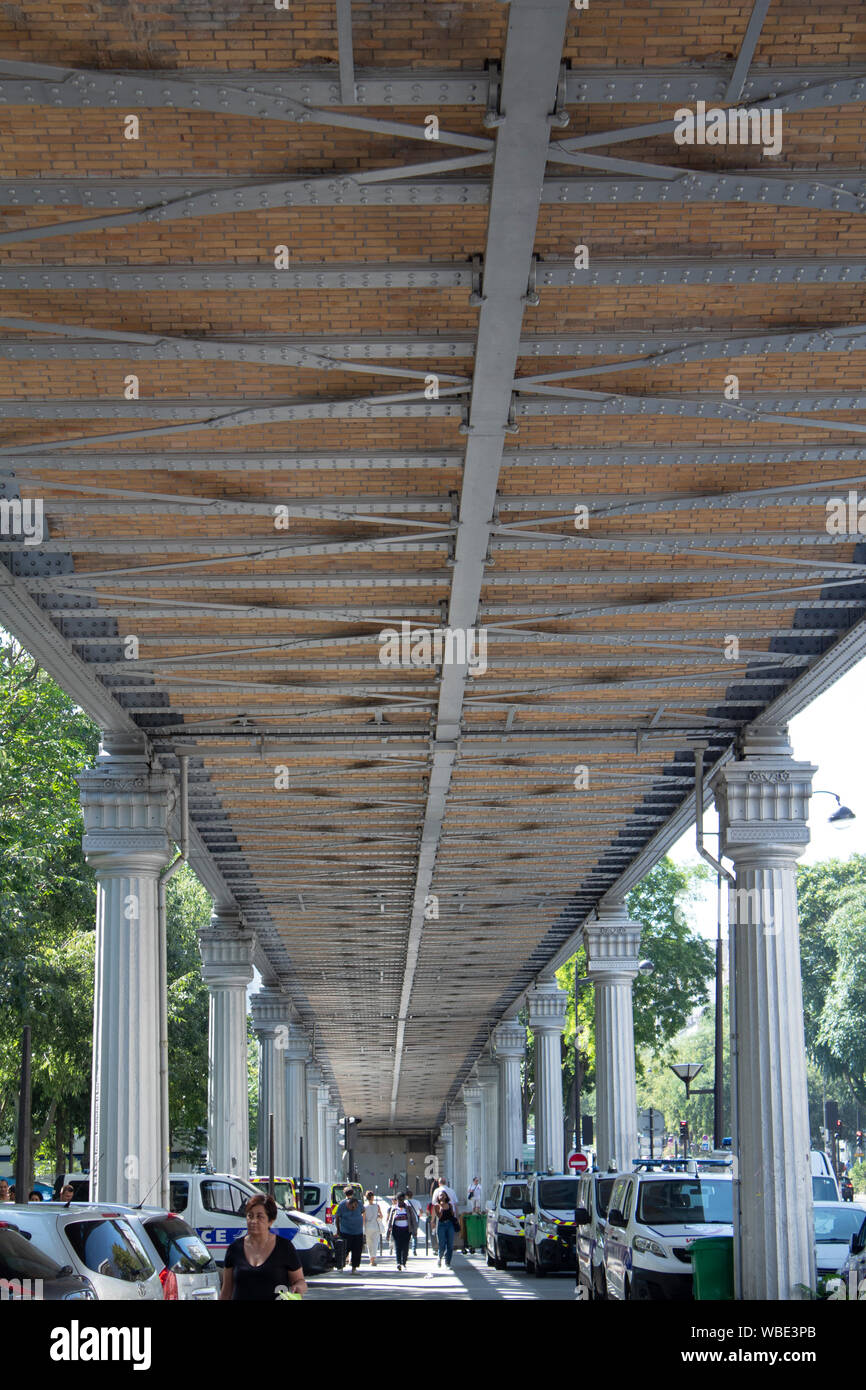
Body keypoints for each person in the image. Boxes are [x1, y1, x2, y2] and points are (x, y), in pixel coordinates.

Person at [220, 1193, 306, 1301]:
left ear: (271, 1221)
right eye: (250, 1216)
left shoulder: (285, 1247)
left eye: (259, 1217)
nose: (253, 1221)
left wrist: (298, 1287)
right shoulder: (234, 1248)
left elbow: (300, 1281)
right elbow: (226, 1292)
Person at [386, 1191, 418, 1271]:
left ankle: (404, 1263)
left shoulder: (408, 1208)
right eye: (399, 1200)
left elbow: (413, 1219)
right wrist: (388, 1232)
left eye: (402, 1200)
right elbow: (390, 1220)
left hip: (406, 1230)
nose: (400, 1201)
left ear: (404, 1199)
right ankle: (398, 1263)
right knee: (398, 1247)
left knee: (405, 1247)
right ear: (397, 1200)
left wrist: (414, 1230)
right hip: (396, 1230)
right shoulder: (394, 1208)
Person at [335, 1188, 365, 1274]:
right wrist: (338, 1230)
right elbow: (337, 1217)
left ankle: (354, 1268)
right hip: (346, 1231)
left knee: (357, 1251)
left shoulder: (359, 1203)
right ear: (347, 1204)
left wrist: (363, 1225)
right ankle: (340, 1266)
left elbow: (363, 1212)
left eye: (355, 1206)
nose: (353, 1208)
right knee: (344, 1250)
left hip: (358, 1232)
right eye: (351, 1206)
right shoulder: (342, 1205)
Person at [432, 1190, 459, 1269]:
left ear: (446, 1196)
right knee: (442, 1244)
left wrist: (455, 1218)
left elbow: (452, 1215)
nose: (442, 1197)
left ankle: (447, 1263)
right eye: (440, 1195)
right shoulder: (436, 1206)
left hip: (449, 1224)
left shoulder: (450, 1205)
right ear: (438, 1197)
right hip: (441, 1225)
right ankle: (439, 1258)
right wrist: (441, 1209)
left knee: (450, 1245)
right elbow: (439, 1217)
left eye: (443, 1195)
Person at [363, 1190, 383, 1265]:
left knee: (369, 1243)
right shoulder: (377, 1206)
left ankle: (370, 1259)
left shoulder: (364, 1207)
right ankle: (373, 1259)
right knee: (375, 1243)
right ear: (372, 1197)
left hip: (368, 1226)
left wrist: (363, 1227)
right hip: (375, 1226)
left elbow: (363, 1218)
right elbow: (381, 1216)